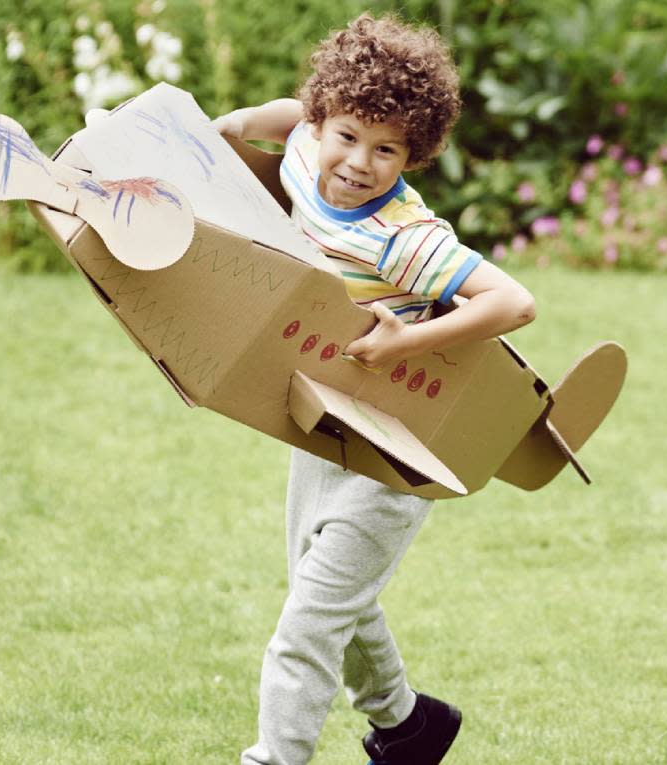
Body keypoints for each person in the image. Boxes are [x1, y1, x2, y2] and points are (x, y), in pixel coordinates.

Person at [211, 13, 536, 765]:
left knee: (309, 620)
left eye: (388, 149)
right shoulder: (302, 150)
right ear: (324, 121)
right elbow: (291, 117)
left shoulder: (403, 237)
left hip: (402, 441)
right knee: (325, 593)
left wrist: (405, 339)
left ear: (413, 155)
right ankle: (409, 725)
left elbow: (512, 302)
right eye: (348, 135)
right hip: (323, 418)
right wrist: (231, 125)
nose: (359, 162)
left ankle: (275, 755)